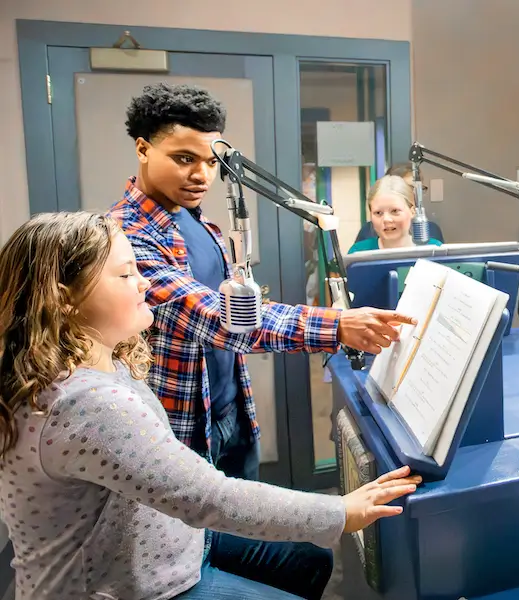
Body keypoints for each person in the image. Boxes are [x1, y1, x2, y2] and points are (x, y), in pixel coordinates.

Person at [0, 211, 422, 600]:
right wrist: (341, 511)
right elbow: (209, 497)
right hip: (121, 586)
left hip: (163, 539)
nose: (144, 282)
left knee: (310, 558)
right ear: (64, 299)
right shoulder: (86, 403)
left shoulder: (97, 361)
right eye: (127, 274)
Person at [108, 83, 415, 479]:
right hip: (181, 426)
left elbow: (239, 307)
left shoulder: (200, 221)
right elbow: (218, 318)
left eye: (210, 162)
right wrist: (337, 326)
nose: (202, 175)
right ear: (143, 149)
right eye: (184, 158)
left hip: (229, 408)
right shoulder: (125, 236)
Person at [354, 162, 445, 244]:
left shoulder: (432, 234)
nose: (387, 219)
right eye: (378, 213)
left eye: (417, 189)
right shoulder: (366, 236)